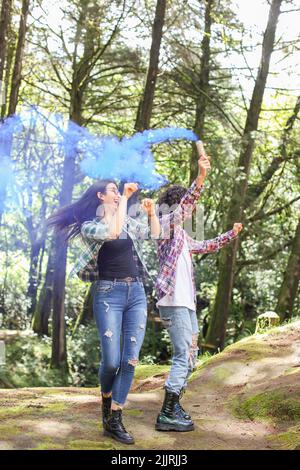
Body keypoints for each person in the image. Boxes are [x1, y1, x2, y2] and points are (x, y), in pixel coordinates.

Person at [47, 179, 160, 445]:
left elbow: (154, 235)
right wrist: (125, 196)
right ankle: (106, 401)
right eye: (112, 191)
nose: (118, 195)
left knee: (130, 359)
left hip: (137, 295)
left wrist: (152, 212)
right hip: (109, 295)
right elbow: (112, 231)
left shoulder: (129, 222)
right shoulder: (91, 225)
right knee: (111, 362)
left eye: (117, 191)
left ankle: (115, 418)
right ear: (101, 196)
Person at [155, 152, 243, 432]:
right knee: (183, 355)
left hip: (187, 305)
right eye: (185, 208)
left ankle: (174, 405)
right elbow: (184, 208)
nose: (190, 212)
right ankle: (167, 413)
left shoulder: (182, 236)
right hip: (173, 303)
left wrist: (231, 234)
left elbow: (208, 246)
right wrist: (201, 177)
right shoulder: (167, 229)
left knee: (191, 360)